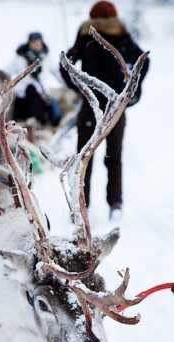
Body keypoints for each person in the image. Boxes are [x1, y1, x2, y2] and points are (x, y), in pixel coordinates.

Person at [60, 1, 149, 219]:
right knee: (114, 156)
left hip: (90, 104)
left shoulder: (86, 33)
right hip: (115, 106)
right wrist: (132, 90)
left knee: (84, 157)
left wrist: (78, 86)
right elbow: (144, 61)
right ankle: (115, 205)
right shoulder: (121, 33)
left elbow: (66, 63)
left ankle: (81, 205)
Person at [8, 32, 61, 127]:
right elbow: (7, 72)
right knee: (30, 89)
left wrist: (72, 84)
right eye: (34, 42)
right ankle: (24, 124)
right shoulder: (20, 59)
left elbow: (58, 74)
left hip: (40, 95)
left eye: (38, 42)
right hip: (22, 95)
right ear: (29, 44)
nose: (36, 45)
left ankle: (38, 123)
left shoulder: (46, 59)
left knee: (36, 94)